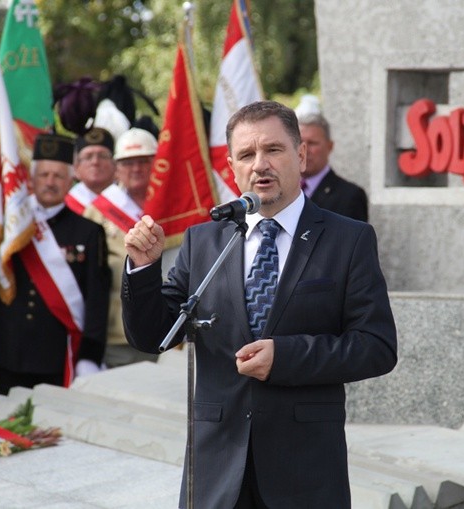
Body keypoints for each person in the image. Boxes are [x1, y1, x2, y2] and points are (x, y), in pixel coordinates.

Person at [122, 101, 397, 508]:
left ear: (301, 156)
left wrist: (285, 357)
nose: (260, 165)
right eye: (247, 155)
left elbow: (376, 347)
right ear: (232, 167)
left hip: (304, 474)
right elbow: (154, 336)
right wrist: (143, 270)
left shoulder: (348, 239)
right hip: (216, 472)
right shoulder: (205, 242)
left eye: (273, 150)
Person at [0, 133, 111, 395]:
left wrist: (90, 353)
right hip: (9, 349)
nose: (50, 182)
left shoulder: (89, 232)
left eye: (58, 176)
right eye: (43, 175)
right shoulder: (12, 226)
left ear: (70, 180)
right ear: (31, 179)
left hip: (57, 355)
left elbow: (97, 299)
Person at [83, 127, 158, 367]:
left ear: (156, 163)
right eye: (128, 163)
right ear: (117, 167)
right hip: (116, 333)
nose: (136, 169)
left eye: (143, 161)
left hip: (165, 330)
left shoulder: (173, 208)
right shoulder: (97, 211)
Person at [298, 112, 369, 222]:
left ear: (329, 146)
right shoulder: (283, 190)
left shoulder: (350, 196)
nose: (305, 150)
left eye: (312, 143)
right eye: (300, 143)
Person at [65, 127, 117, 215]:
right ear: (76, 167)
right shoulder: (67, 205)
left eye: (102, 156)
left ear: (115, 164)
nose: (95, 162)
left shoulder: (126, 202)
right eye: (88, 157)